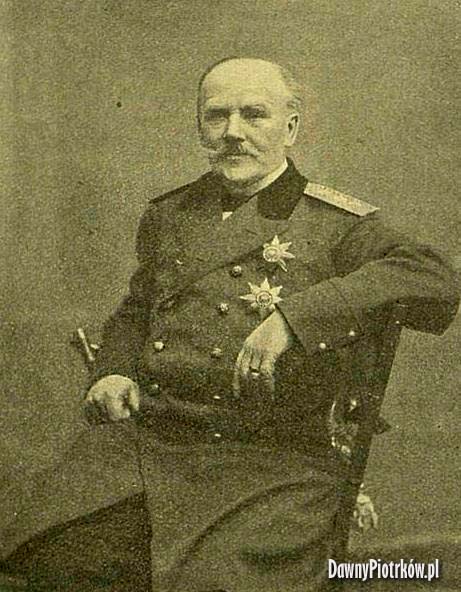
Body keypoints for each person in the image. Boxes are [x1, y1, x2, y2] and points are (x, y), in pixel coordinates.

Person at [1, 57, 459, 591]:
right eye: (217, 116)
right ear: (201, 127)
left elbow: (433, 277)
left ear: (290, 127)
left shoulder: (336, 224)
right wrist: (113, 369)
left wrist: (293, 318)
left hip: (272, 465)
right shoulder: (170, 214)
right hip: (152, 445)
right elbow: (138, 308)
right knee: (39, 553)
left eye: (254, 114)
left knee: (207, 582)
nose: (233, 132)